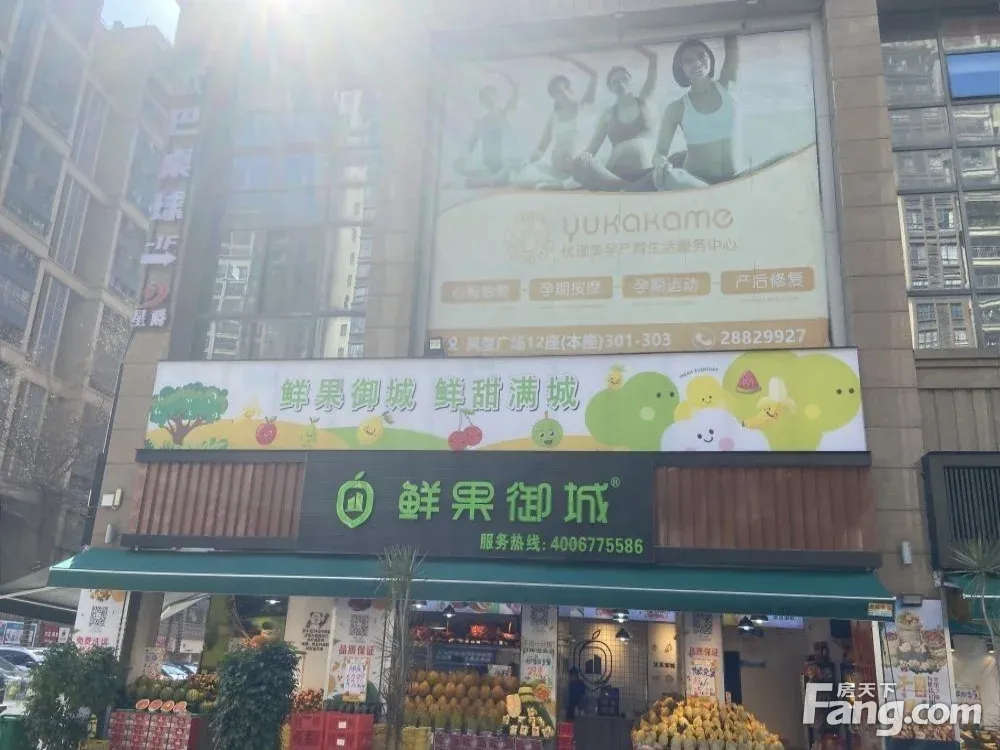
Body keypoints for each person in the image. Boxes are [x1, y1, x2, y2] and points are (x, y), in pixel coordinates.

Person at [652, 36, 740, 189]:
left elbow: (732, 41)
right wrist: (661, 164)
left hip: (736, 178)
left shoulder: (728, 84)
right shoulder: (677, 108)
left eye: (702, 56)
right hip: (696, 183)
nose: (697, 63)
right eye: (688, 61)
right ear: (681, 69)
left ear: (710, 58)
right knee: (670, 176)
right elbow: (659, 153)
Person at [572, 46, 659, 191]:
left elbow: (653, 61)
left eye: (624, 79)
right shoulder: (608, 114)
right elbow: (592, 149)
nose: (620, 84)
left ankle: (630, 187)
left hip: (645, 171)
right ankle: (626, 187)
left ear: (630, 81)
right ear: (610, 87)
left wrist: (629, 42)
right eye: (615, 82)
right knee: (579, 164)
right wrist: (583, 158)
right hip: (614, 175)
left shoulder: (644, 101)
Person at [515, 55, 598, 189]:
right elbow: (542, 146)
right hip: (557, 170)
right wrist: (528, 161)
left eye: (565, 89)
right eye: (557, 92)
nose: (563, 94)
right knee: (523, 178)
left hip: (579, 167)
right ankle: (561, 184)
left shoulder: (584, 107)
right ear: (554, 97)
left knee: (589, 171)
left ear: (571, 90)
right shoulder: (554, 116)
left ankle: (566, 184)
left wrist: (570, 60)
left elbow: (594, 74)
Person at [454, 69, 520, 187]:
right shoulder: (482, 122)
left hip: (503, 169)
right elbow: (470, 146)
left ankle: (494, 179)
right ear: (482, 101)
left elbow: (514, 96)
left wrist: (506, 77)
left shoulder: (504, 117)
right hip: (488, 170)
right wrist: (461, 161)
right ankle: (490, 179)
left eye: (491, 97)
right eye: (485, 98)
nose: (489, 101)